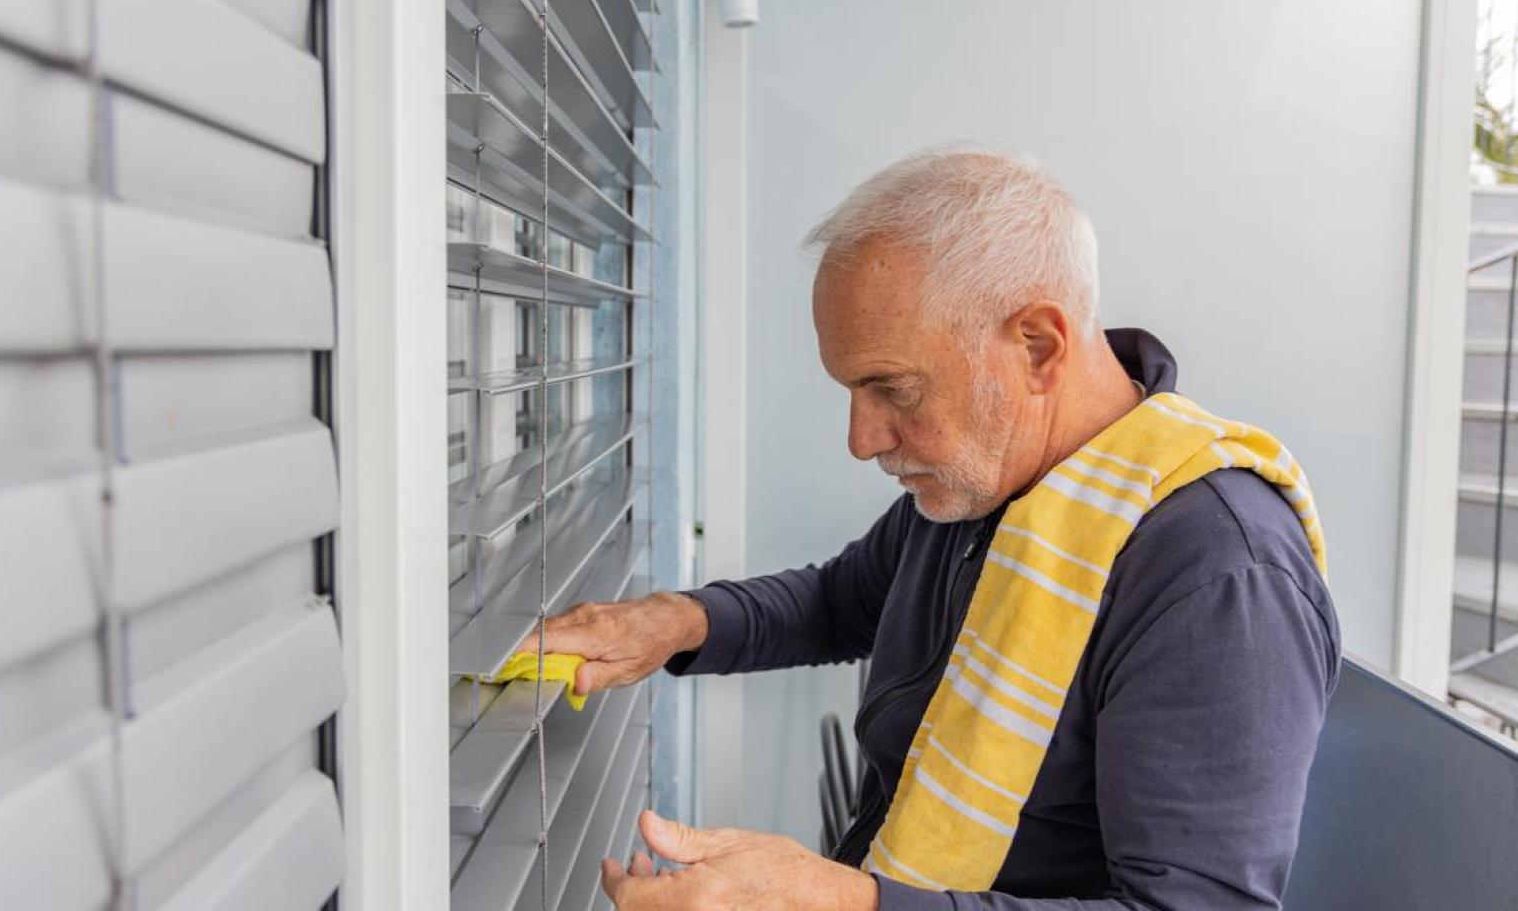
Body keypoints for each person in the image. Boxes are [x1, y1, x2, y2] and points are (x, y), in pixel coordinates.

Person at [531, 149, 1340, 910]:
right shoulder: (989, 482)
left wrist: (843, 899)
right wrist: (672, 624)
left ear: (1038, 346)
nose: (861, 439)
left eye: (894, 389)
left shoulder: (1219, 572)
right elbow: (841, 600)